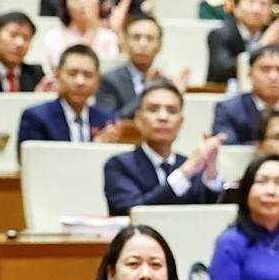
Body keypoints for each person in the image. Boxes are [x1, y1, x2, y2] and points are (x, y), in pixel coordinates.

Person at [102, 82, 225, 215]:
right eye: (153, 109)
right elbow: (133, 211)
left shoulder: (190, 166)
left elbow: (208, 212)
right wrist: (185, 172)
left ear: (180, 122)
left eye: (171, 111)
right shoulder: (119, 165)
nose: (163, 117)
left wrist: (211, 171)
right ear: (138, 119)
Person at [14, 45, 119, 145]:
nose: (80, 82)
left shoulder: (107, 120)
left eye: (88, 75)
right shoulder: (37, 118)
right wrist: (94, 146)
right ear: (57, 76)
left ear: (98, 81)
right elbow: (33, 157)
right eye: (72, 73)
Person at [206, 0, 279, 86]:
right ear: (235, 7)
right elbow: (222, 71)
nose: (257, 9)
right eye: (251, 2)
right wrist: (261, 46)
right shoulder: (219, 35)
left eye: (263, 4)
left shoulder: (274, 34)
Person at [98, 14, 171, 117]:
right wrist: (146, 91)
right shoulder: (108, 81)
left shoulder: (164, 83)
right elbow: (107, 120)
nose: (142, 44)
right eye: (136, 37)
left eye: (150, 38)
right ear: (125, 41)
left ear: (160, 45)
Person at [40, 0, 123, 69]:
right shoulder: (54, 36)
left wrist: (119, 30)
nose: (82, 2)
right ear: (65, 5)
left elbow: (116, 67)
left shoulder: (109, 35)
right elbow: (63, 68)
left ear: (99, 2)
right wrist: (90, 31)